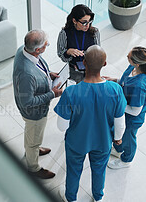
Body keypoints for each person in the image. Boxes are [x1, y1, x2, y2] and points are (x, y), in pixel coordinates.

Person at [54, 45, 127, 202]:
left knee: (73, 171)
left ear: (84, 63)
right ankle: (98, 197)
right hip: (103, 141)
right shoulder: (115, 90)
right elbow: (120, 123)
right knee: (99, 170)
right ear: (105, 64)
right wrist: (117, 138)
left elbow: (62, 126)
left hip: (76, 142)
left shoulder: (71, 92)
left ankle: (71, 198)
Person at [13, 29, 63, 179]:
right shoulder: (27, 74)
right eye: (46, 45)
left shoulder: (23, 50)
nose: (47, 45)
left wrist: (48, 74)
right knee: (33, 136)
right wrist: (52, 94)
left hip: (35, 109)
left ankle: (33, 147)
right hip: (34, 114)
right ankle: (33, 167)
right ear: (38, 50)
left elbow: (38, 68)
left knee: (32, 136)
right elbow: (28, 102)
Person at [104, 46, 146, 169]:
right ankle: (118, 149)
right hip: (123, 112)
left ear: (137, 63)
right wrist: (114, 80)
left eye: (129, 57)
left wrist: (116, 103)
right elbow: (125, 80)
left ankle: (126, 160)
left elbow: (135, 110)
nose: (126, 57)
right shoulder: (133, 68)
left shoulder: (140, 85)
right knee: (118, 132)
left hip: (132, 119)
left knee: (128, 139)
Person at [57, 4, 101, 83]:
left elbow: (98, 53)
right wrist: (68, 52)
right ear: (74, 21)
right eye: (84, 22)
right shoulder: (64, 33)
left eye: (89, 21)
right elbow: (61, 55)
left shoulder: (95, 32)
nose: (87, 25)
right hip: (74, 72)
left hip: (91, 71)